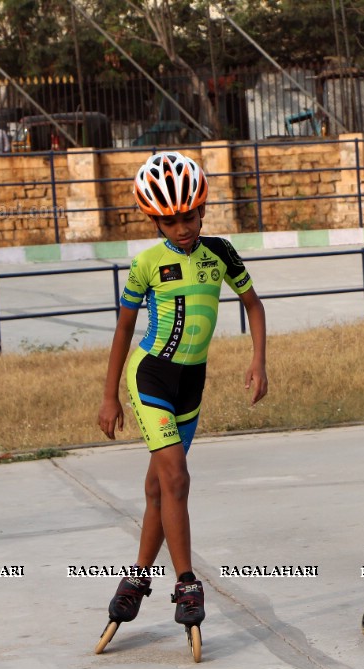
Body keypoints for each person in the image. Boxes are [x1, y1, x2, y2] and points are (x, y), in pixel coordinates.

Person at [96, 151, 267, 640]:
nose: (182, 227)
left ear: (202, 210)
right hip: (149, 378)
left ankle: (134, 580)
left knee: (158, 490)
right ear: (155, 220)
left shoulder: (221, 253)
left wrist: (258, 361)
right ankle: (187, 581)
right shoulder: (147, 263)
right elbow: (124, 330)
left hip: (192, 385)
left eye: (188, 216)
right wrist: (110, 397)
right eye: (169, 220)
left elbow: (253, 305)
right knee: (177, 478)